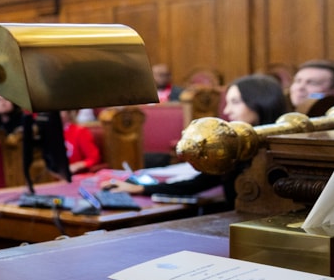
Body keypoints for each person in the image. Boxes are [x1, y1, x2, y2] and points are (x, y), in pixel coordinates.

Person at [104, 74, 288, 207]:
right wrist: (142, 189)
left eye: (236, 102)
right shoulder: (235, 145)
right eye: (228, 102)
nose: (227, 111)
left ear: (262, 103)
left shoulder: (282, 149)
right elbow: (198, 183)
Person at [60, 110, 102, 175]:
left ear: (68, 113)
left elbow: (94, 158)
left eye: (61, 111)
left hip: (76, 175)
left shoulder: (80, 132)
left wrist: (78, 165)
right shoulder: (50, 133)